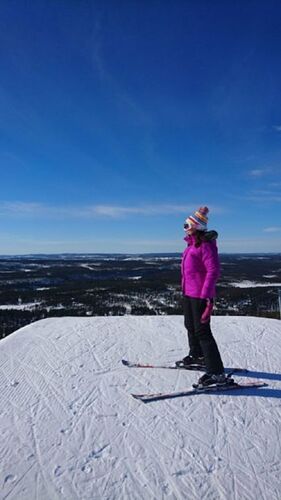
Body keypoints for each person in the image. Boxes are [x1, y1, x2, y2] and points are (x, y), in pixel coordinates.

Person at [177, 206, 226, 387]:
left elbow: (213, 271)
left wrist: (206, 297)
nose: (185, 227)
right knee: (190, 325)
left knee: (203, 332)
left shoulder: (205, 246)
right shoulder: (191, 246)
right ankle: (198, 356)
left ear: (196, 227)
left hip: (200, 295)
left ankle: (217, 373)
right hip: (189, 293)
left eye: (187, 224)